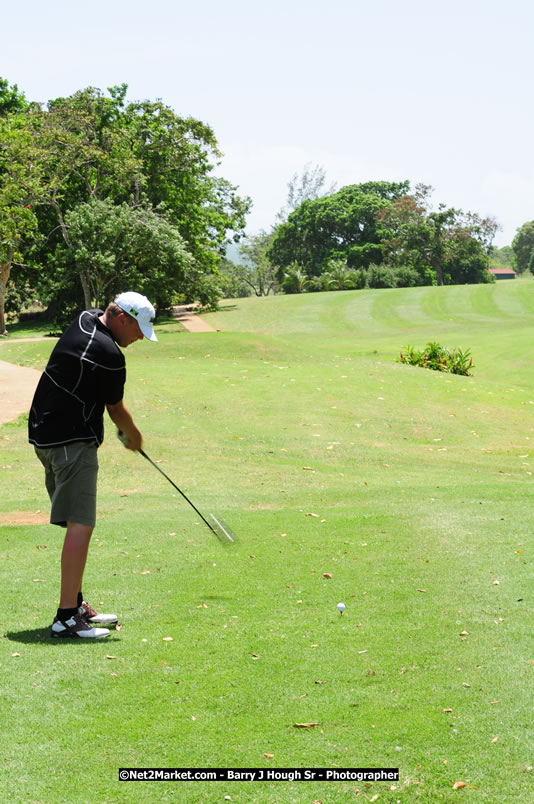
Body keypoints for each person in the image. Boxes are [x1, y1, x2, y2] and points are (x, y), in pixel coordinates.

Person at [28, 292, 157, 639]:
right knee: (81, 525)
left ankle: (77, 602)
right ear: (121, 319)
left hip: (45, 435)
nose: (140, 337)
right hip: (71, 443)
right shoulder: (109, 355)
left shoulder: (85, 318)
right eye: (139, 329)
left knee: (74, 521)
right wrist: (135, 437)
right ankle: (66, 617)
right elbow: (116, 410)